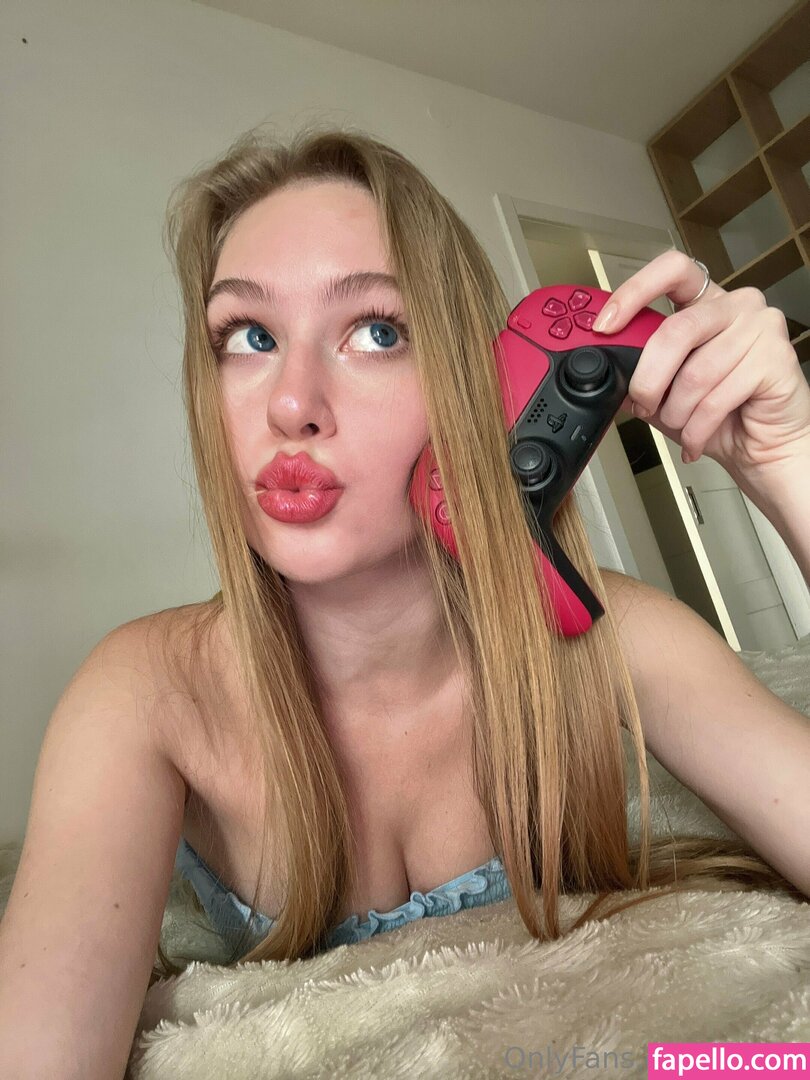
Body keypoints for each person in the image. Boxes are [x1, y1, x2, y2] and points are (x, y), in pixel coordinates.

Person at [1, 124, 808, 1077]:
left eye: (376, 332)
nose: (291, 404)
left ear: (480, 381)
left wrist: (788, 459)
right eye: (248, 337)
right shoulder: (143, 691)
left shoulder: (609, 635)